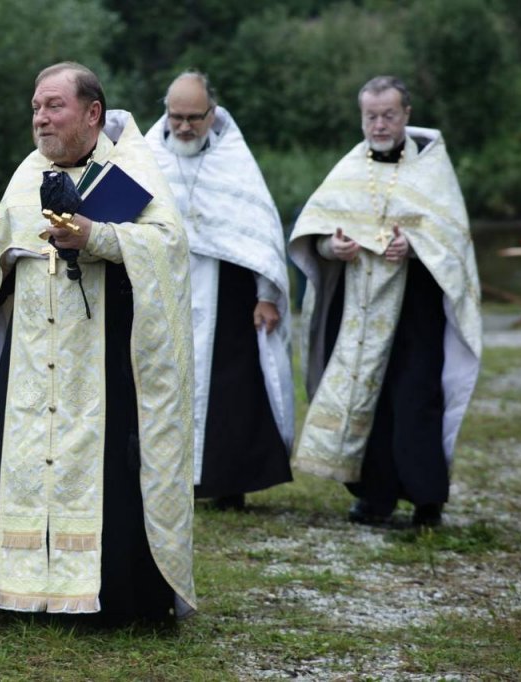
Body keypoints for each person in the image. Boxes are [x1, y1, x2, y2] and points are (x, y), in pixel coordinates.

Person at [0, 62, 196, 620]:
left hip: (103, 362)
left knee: (105, 473)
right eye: (36, 106)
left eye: (54, 106)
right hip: (32, 360)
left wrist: (97, 236)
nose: (41, 117)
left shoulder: (132, 168)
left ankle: (112, 602)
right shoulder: (28, 171)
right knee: (23, 466)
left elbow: (168, 248)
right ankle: (16, 593)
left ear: (92, 113)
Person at [288, 76, 482, 527]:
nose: (379, 124)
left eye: (388, 115)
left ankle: (425, 499)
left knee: (415, 398)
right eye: (370, 116)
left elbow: (452, 240)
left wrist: (414, 247)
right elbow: (315, 237)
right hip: (357, 308)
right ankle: (374, 496)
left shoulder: (432, 169)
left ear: (407, 115)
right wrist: (332, 250)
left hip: (414, 308)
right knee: (368, 403)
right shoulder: (348, 169)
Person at [144, 72, 294, 510]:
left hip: (226, 292)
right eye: (176, 117)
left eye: (194, 117)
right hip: (165, 290)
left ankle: (228, 483)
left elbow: (259, 231)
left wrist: (267, 294)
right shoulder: (148, 155)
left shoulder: (234, 157)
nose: (185, 126)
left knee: (230, 386)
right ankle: (164, 481)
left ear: (212, 113)